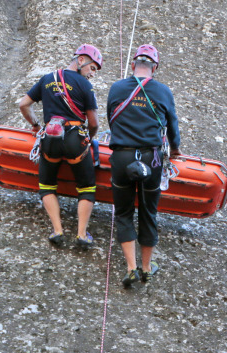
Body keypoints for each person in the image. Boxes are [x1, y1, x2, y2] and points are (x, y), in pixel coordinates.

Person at [106, 44, 181, 288]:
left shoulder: (117, 88)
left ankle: (130, 268)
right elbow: (172, 127)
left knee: (124, 212)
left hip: (122, 157)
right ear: (155, 67)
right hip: (152, 158)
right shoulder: (163, 91)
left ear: (133, 65)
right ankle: (147, 268)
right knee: (148, 212)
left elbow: (111, 118)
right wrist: (176, 149)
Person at [17, 44, 102, 249]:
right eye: (92, 68)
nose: (92, 74)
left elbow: (23, 104)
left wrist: (36, 126)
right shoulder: (84, 85)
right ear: (81, 60)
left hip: (50, 138)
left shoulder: (47, 79)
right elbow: (94, 123)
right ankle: (81, 234)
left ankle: (57, 230)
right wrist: (87, 139)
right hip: (74, 139)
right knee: (87, 188)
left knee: (46, 185)